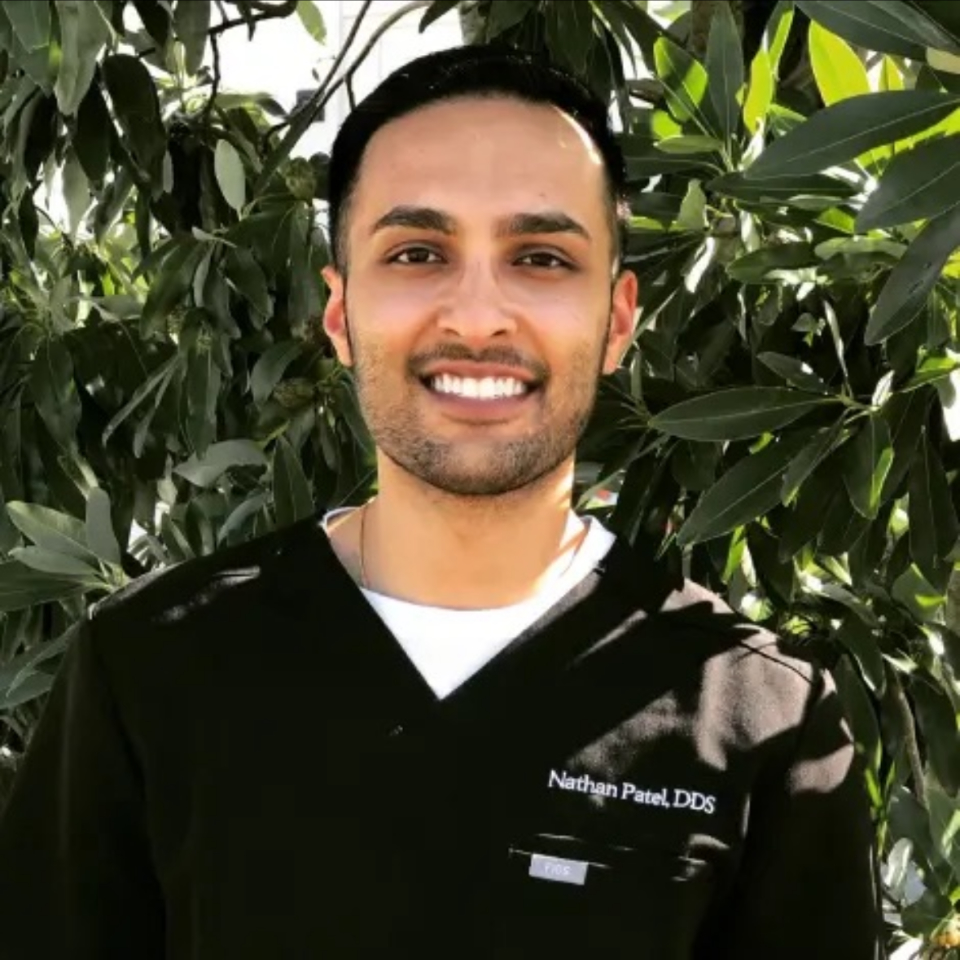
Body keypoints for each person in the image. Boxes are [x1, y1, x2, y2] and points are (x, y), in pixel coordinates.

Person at [0, 44, 884, 959]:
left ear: (618, 320)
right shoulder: (152, 668)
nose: (476, 316)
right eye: (418, 252)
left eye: (540, 257)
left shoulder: (761, 717)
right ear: (340, 315)